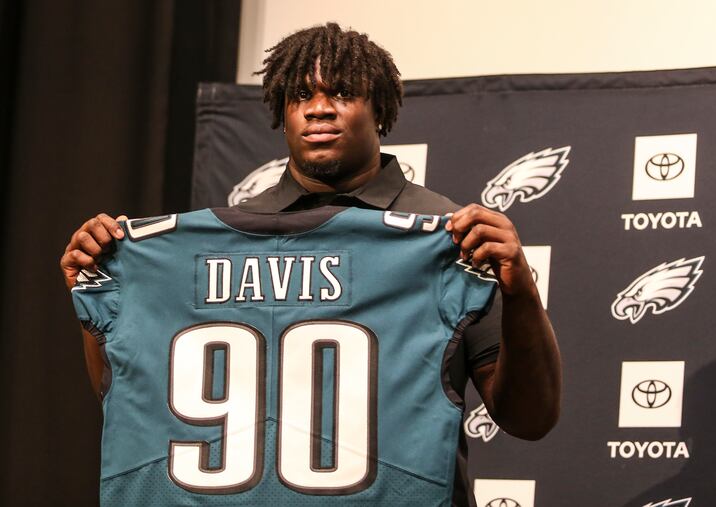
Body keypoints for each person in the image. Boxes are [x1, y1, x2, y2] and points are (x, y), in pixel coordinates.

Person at [60, 23, 561, 506]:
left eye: (342, 93)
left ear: (380, 108)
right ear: (283, 113)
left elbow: (530, 417)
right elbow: (126, 393)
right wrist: (96, 293)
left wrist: (520, 291)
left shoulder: (449, 237)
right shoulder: (226, 236)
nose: (319, 108)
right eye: (300, 95)